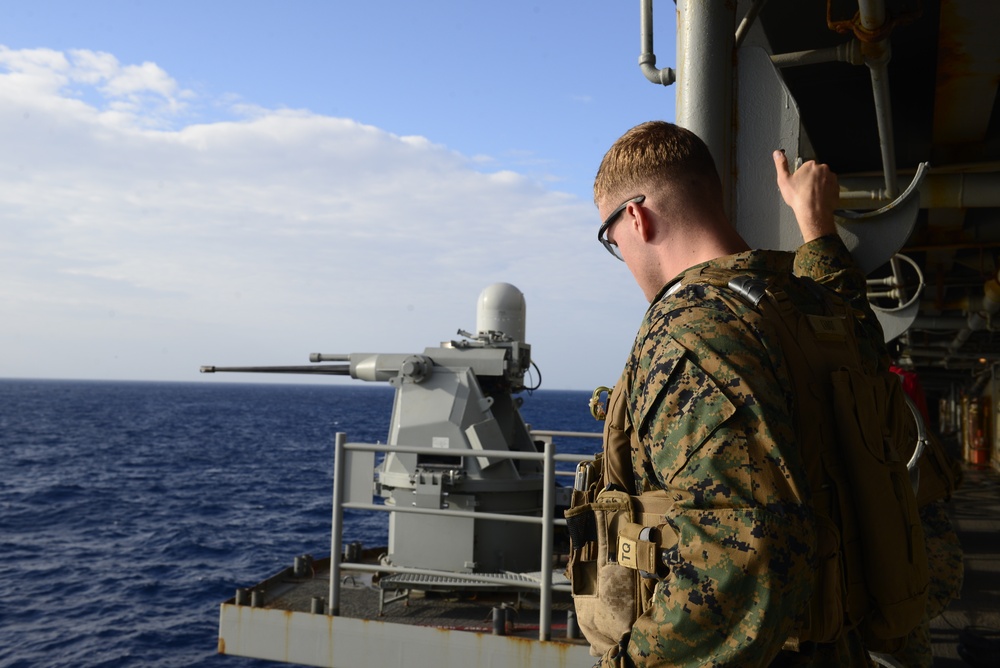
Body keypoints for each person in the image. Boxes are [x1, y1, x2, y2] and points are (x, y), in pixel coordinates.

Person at [580, 120, 878, 666]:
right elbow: (851, 318)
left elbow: (738, 558)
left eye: (611, 239)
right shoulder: (810, 305)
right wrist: (817, 229)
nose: (619, 254)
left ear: (636, 218)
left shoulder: (686, 335)